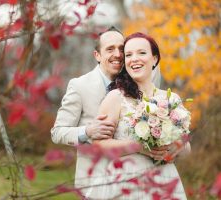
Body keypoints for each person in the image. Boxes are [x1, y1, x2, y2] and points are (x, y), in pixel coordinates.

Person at [51, 27, 162, 198]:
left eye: (121, 49)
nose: (117, 54)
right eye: (110, 49)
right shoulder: (80, 85)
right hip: (95, 180)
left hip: (136, 182)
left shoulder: (139, 83)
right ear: (97, 55)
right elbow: (57, 132)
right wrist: (87, 131)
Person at [90, 32, 191, 199]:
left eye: (142, 53)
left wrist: (177, 147)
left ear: (155, 58)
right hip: (126, 183)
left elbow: (186, 147)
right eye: (128, 55)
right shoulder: (116, 97)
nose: (134, 59)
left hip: (164, 181)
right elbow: (98, 146)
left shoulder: (171, 99)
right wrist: (140, 147)